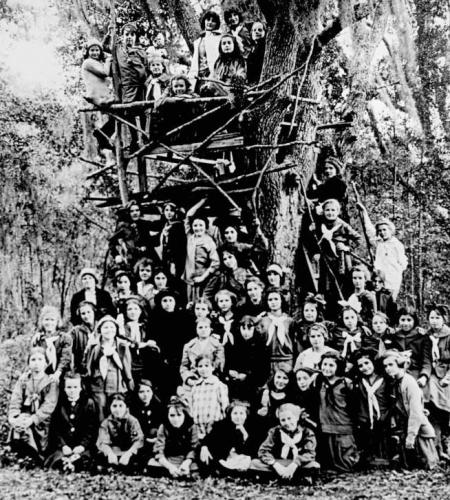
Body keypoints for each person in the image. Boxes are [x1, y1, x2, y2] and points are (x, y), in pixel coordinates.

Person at [383, 350, 438, 469]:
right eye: (385, 366)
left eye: (391, 365)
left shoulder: (409, 382)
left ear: (400, 365)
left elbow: (415, 413)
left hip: (417, 429)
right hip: (405, 426)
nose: (388, 368)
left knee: (426, 464)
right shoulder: (394, 382)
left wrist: (411, 437)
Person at [8, 347, 59, 465]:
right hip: (24, 414)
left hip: (41, 419)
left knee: (30, 427)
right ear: (29, 363)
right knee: (20, 424)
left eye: (40, 359)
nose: (36, 363)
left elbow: (49, 405)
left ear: (46, 362)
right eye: (33, 359)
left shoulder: (50, 382)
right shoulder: (24, 380)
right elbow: (16, 399)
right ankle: (20, 454)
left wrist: (33, 419)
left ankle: (34, 455)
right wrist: (14, 417)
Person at [311, 198, 361, 315]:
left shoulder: (343, 225)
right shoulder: (320, 224)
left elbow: (358, 238)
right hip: (326, 259)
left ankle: (345, 313)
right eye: (327, 210)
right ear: (323, 211)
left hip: (341, 259)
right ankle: (329, 313)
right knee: (327, 288)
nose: (330, 213)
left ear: (338, 211)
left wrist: (347, 248)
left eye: (333, 210)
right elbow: (314, 239)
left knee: (343, 286)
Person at [311, 352, 359, 473]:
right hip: (325, 426)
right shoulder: (319, 381)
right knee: (328, 459)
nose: (326, 368)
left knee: (346, 461)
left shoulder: (346, 383)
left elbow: (355, 406)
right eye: (324, 364)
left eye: (331, 365)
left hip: (343, 425)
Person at [104, 22, 148, 153]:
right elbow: (105, 47)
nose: (129, 37)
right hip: (126, 87)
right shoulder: (118, 49)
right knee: (129, 113)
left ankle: (145, 137)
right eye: (126, 34)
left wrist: (134, 62)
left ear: (136, 37)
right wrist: (108, 34)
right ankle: (134, 140)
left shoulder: (140, 51)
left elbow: (145, 70)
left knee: (142, 111)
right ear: (122, 36)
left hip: (139, 86)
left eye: (132, 35)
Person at [251, 403, 320, 483]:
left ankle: (286, 476)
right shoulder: (275, 432)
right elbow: (263, 451)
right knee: (254, 463)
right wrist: (276, 465)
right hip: (279, 462)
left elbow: (310, 453)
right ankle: (287, 476)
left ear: (296, 417)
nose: (287, 423)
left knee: (315, 465)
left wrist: (294, 464)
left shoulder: (307, 432)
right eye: (283, 420)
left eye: (289, 418)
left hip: (298, 464)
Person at [83, 316, 134, 420]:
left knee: (118, 413)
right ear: (100, 330)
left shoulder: (122, 345)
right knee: (100, 414)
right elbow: (87, 365)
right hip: (99, 386)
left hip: (118, 385)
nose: (109, 330)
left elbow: (127, 366)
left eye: (112, 327)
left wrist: (128, 382)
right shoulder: (94, 346)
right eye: (105, 327)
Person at [46, 373, 98, 471]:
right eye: (69, 387)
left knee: (85, 459)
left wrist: (82, 446)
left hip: (81, 446)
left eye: (75, 387)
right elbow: (55, 428)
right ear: (64, 388)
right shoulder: (59, 404)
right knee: (57, 458)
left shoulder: (88, 403)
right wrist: (63, 445)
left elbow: (92, 429)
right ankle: (66, 464)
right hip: (65, 446)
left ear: (81, 388)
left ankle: (73, 464)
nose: (72, 390)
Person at [357, 204, 408, 300]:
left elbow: (402, 263)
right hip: (379, 279)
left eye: (384, 230)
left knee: (390, 302)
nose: (382, 232)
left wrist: (394, 273)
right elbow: (369, 230)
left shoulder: (397, 245)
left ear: (390, 230)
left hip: (392, 279)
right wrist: (364, 212)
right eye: (380, 230)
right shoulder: (379, 243)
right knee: (379, 301)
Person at [200, 400, 262, 473]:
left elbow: (253, 450)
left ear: (246, 415)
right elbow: (208, 439)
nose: (238, 417)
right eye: (235, 413)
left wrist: (245, 435)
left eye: (241, 413)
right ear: (230, 415)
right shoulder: (222, 425)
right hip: (224, 458)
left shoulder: (251, 428)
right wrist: (204, 447)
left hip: (243, 457)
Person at [81, 39, 116, 167]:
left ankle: (102, 135)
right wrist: (108, 60)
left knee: (117, 119)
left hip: (103, 95)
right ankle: (102, 137)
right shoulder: (88, 62)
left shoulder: (97, 62)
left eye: (97, 50)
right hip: (97, 97)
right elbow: (105, 73)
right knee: (120, 116)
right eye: (92, 50)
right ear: (88, 52)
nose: (95, 53)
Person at [149, 288, 189, 399]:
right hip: (162, 360)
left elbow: (188, 339)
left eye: (170, 300)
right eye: (164, 301)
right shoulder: (155, 319)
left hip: (181, 359)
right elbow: (152, 339)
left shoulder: (184, 317)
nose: (168, 303)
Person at [353, 349, 390, 467]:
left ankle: (384, 457)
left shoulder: (385, 379)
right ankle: (370, 458)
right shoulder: (359, 381)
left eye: (367, 363)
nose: (364, 367)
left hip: (383, 415)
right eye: (360, 365)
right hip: (366, 417)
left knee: (383, 436)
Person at [382, 305, 432, 388]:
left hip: (416, 372)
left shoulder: (422, 337)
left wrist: (424, 376)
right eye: (402, 320)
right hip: (397, 372)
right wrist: (399, 355)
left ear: (414, 321)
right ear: (398, 320)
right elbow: (387, 354)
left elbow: (426, 360)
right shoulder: (394, 336)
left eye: (409, 320)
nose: (405, 323)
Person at [224, 315, 270, 403]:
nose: (246, 332)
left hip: (252, 388)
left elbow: (263, 371)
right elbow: (226, 363)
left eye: (249, 329)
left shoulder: (261, 347)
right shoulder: (232, 345)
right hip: (233, 387)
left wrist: (247, 376)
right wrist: (229, 371)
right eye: (243, 328)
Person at [150, 396, 199, 478]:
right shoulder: (163, 427)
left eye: (179, 415)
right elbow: (159, 449)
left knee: (198, 467)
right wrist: (170, 467)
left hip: (185, 459)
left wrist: (186, 463)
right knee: (151, 464)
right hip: (168, 459)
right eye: (172, 415)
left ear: (185, 415)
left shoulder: (192, 426)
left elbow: (194, 448)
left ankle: (183, 471)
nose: (176, 419)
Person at [183, 198, 219, 303]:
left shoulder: (209, 241)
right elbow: (188, 215)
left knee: (201, 304)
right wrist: (202, 201)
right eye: (195, 225)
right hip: (190, 279)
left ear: (206, 227)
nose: (198, 228)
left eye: (201, 225)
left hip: (202, 280)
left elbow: (216, 262)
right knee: (190, 304)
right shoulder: (190, 236)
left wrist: (203, 277)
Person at [426, 304, 450, 460]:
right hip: (432, 373)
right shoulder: (427, 336)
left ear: (444, 319)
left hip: (447, 373)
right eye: (431, 318)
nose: (434, 321)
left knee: (445, 399)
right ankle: (436, 446)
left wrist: (448, 376)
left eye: (437, 318)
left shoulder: (449, 335)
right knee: (429, 398)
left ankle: (446, 440)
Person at [97, 393, 144, 472]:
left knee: (140, 458)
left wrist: (128, 454)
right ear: (110, 407)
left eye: (121, 406)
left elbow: (139, 440)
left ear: (126, 407)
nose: (118, 409)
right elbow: (102, 442)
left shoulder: (132, 421)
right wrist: (110, 453)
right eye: (114, 406)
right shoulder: (105, 423)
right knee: (98, 457)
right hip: (113, 451)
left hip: (128, 451)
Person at [188, 355, 229, 439]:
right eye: (200, 366)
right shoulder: (195, 387)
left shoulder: (219, 385)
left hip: (215, 429)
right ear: (196, 368)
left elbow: (225, 408)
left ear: (213, 367)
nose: (203, 369)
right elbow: (191, 408)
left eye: (207, 366)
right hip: (198, 430)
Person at [257, 287, 296, 373]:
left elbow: (293, 341)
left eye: (276, 299)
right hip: (268, 361)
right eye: (270, 300)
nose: (273, 302)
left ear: (281, 300)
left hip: (287, 359)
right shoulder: (262, 320)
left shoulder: (289, 321)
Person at [31, 306, 72, 382]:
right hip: (43, 376)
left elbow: (65, 359)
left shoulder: (64, 338)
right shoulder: (39, 339)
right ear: (42, 322)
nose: (49, 323)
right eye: (46, 319)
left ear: (57, 322)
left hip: (62, 375)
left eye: (52, 320)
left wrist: (57, 374)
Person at [179, 317, 225, 386]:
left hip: (212, 381)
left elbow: (219, 366)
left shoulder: (218, 346)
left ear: (210, 329)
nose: (203, 330)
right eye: (200, 327)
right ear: (196, 330)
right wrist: (188, 379)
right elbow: (184, 366)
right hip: (193, 380)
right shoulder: (188, 346)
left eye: (206, 327)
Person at [109, 201, 153, 270]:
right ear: (129, 213)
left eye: (137, 210)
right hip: (128, 259)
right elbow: (112, 242)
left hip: (143, 260)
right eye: (132, 211)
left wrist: (144, 248)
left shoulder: (144, 225)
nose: (135, 213)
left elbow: (149, 242)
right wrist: (116, 256)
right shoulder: (123, 226)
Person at [129, 379, 163, 466]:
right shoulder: (133, 409)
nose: (145, 395)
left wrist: (157, 438)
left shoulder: (158, 407)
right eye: (141, 392)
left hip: (157, 441)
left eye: (148, 391)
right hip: (140, 441)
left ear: (152, 392)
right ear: (137, 393)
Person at [149, 201, 186, 278]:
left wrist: (173, 262)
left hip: (175, 260)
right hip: (166, 258)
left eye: (171, 210)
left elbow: (178, 247)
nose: (169, 213)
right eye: (166, 210)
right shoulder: (166, 224)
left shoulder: (178, 226)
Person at [188, 10, 221, 92]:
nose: (210, 22)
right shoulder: (197, 41)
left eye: (213, 21)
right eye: (208, 20)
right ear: (204, 21)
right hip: (198, 74)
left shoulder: (219, 38)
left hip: (212, 73)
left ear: (216, 24)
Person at [70, 301, 97, 375]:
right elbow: (65, 343)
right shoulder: (75, 331)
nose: (86, 315)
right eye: (83, 313)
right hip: (81, 370)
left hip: (98, 370)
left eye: (89, 312)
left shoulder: (101, 328)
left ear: (94, 311)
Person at [247, 21, 266, 85]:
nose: (256, 32)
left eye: (260, 30)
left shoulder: (264, 47)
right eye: (254, 30)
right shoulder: (253, 47)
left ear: (264, 32)